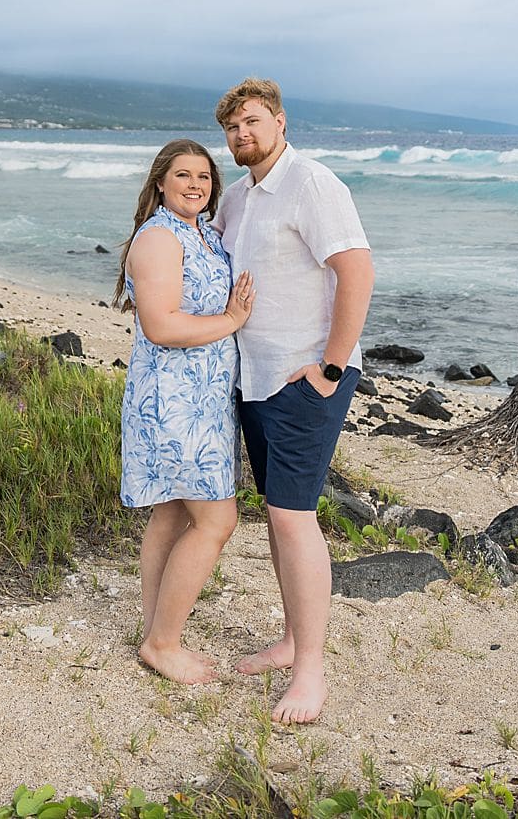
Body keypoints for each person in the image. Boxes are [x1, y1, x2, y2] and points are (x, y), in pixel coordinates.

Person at [214, 78, 374, 725]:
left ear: (280, 121)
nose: (241, 135)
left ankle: (311, 668)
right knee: (278, 515)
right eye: (231, 128)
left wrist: (332, 367)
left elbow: (356, 268)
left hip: (304, 378)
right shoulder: (239, 195)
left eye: (251, 122)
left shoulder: (312, 183)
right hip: (254, 376)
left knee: (291, 517)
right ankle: (290, 640)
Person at [115, 137, 255, 684]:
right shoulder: (157, 240)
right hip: (174, 403)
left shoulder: (202, 234)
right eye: (183, 176)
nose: (195, 184)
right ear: (159, 184)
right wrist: (233, 321)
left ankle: (154, 630)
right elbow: (163, 326)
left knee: (172, 514)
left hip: (206, 399)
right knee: (218, 520)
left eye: (203, 177)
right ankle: (164, 643)